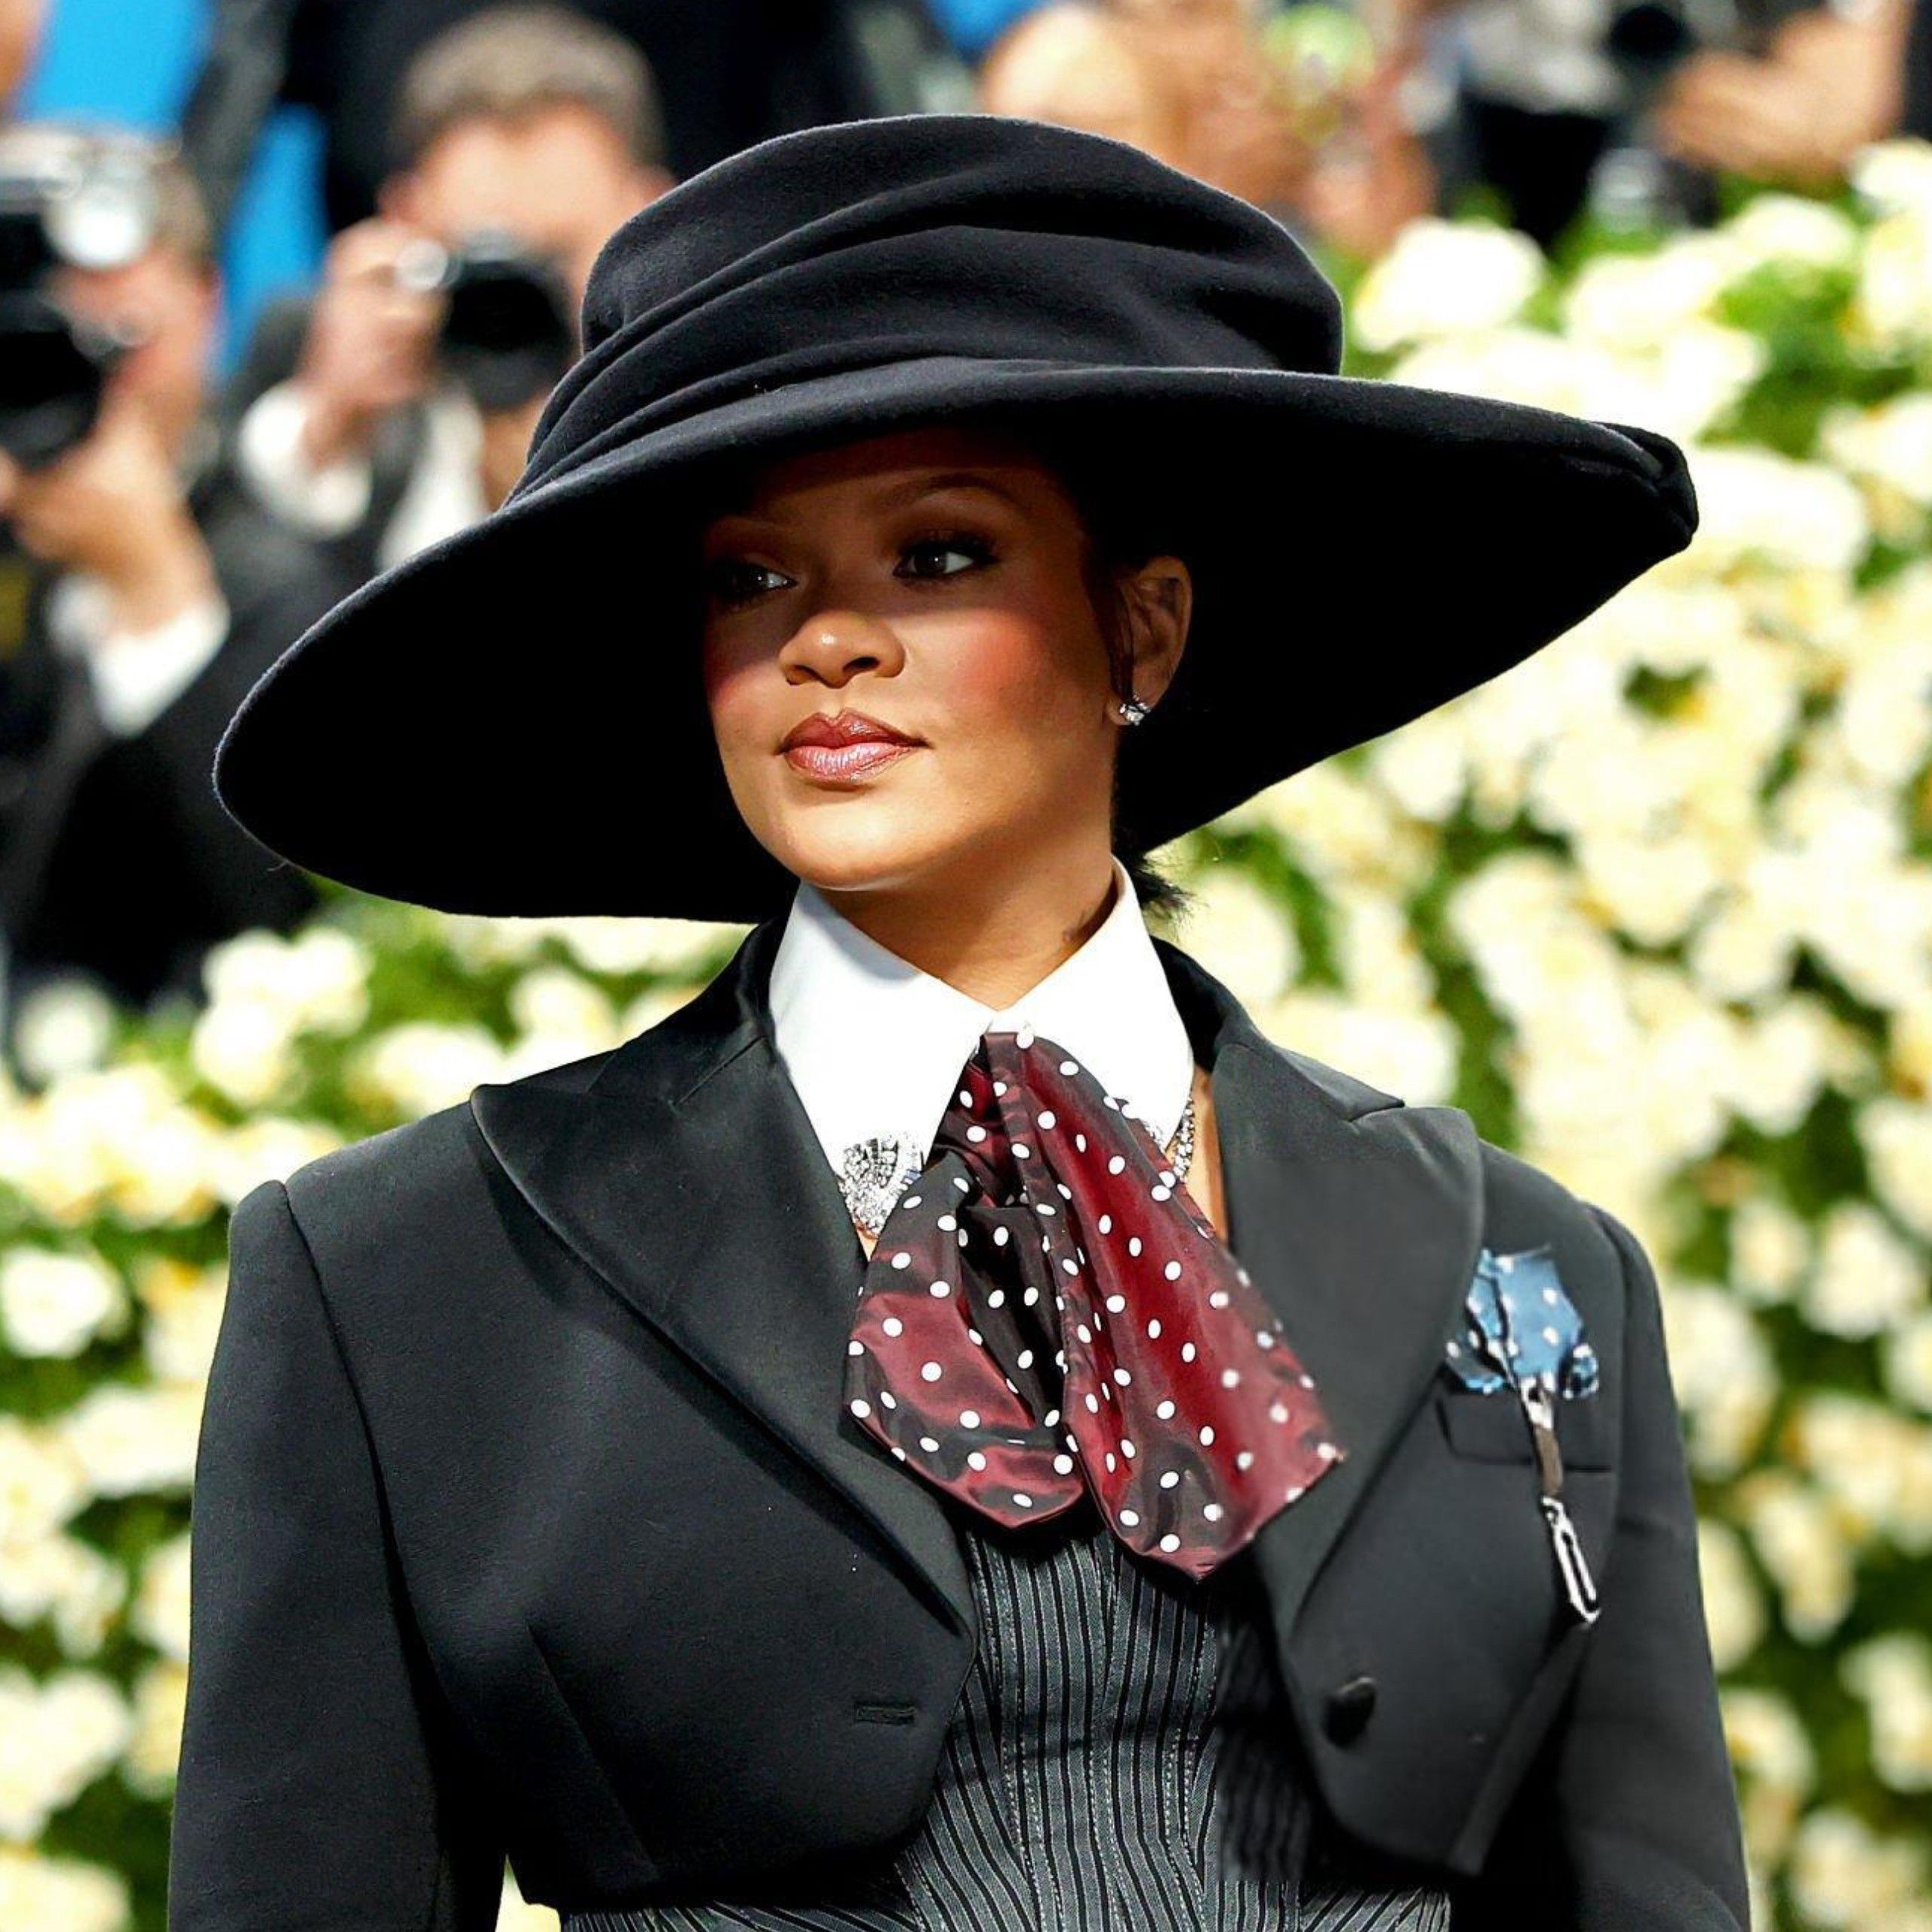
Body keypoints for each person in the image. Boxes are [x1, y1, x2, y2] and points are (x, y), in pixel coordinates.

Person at [169, 115, 1751, 1929]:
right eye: (747, 578)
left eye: (935, 554)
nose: (826, 641)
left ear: (1141, 630)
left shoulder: (1526, 1270)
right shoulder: (404, 1279)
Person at [0, 122, 340, 1044]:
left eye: (122, 340)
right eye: (39, 347)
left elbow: (301, 943)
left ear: (209, 305)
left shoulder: (299, 564)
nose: (84, 388)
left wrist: (158, 600)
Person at [222, 4, 675, 586]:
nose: (516, 292)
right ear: (405, 217)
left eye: (556, 257)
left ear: (651, 216)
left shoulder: (702, 381)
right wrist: (326, 426)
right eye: (485, 252)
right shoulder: (306, 346)